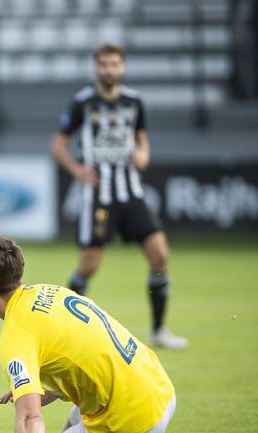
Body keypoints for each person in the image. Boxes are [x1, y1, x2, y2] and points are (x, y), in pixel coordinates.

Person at [0, 236, 225, 433]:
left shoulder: (15, 335)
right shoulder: (49, 291)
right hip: (157, 388)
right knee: (74, 430)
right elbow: (84, 347)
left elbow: (29, 417)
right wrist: (46, 389)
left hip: (131, 418)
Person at [50, 43, 188, 349]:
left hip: (131, 193)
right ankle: (61, 329)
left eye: (114, 64)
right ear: (96, 67)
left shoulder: (134, 101)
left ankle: (159, 330)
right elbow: (58, 145)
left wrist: (143, 153)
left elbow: (141, 138)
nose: (109, 70)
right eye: (104, 64)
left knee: (160, 254)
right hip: (98, 196)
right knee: (89, 265)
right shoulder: (82, 103)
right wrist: (77, 170)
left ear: (122, 67)